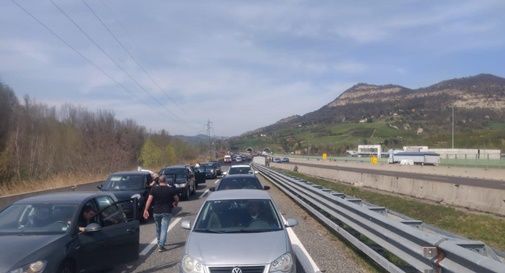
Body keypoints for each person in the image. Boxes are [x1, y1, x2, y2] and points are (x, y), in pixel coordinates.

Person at [143, 175, 179, 252]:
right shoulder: (170, 189)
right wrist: (175, 203)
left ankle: (159, 242)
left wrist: (146, 210)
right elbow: (176, 198)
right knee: (164, 229)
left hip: (156, 211)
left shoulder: (154, 189)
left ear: (159, 181)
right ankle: (161, 245)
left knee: (158, 228)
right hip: (167, 211)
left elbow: (149, 200)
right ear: (166, 181)